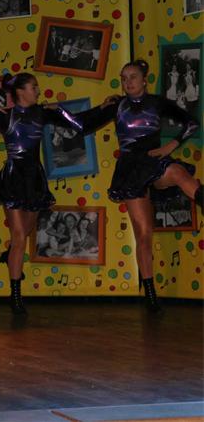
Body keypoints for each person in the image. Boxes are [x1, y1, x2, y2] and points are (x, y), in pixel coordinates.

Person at [0, 72, 113, 314]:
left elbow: (79, 123)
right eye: (34, 87)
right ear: (20, 91)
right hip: (12, 178)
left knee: (23, 234)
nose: (38, 91)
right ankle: (15, 295)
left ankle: (10, 254)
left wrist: (103, 108)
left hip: (34, 179)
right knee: (19, 236)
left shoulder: (42, 113)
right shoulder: (5, 116)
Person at [79, 59, 201, 312]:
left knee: (178, 172)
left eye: (133, 77)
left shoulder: (157, 102)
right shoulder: (117, 106)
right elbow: (81, 125)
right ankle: (151, 294)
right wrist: (52, 111)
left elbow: (192, 123)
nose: (128, 82)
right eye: (123, 78)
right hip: (131, 170)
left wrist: (172, 145)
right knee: (144, 235)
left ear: (144, 80)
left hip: (154, 161)